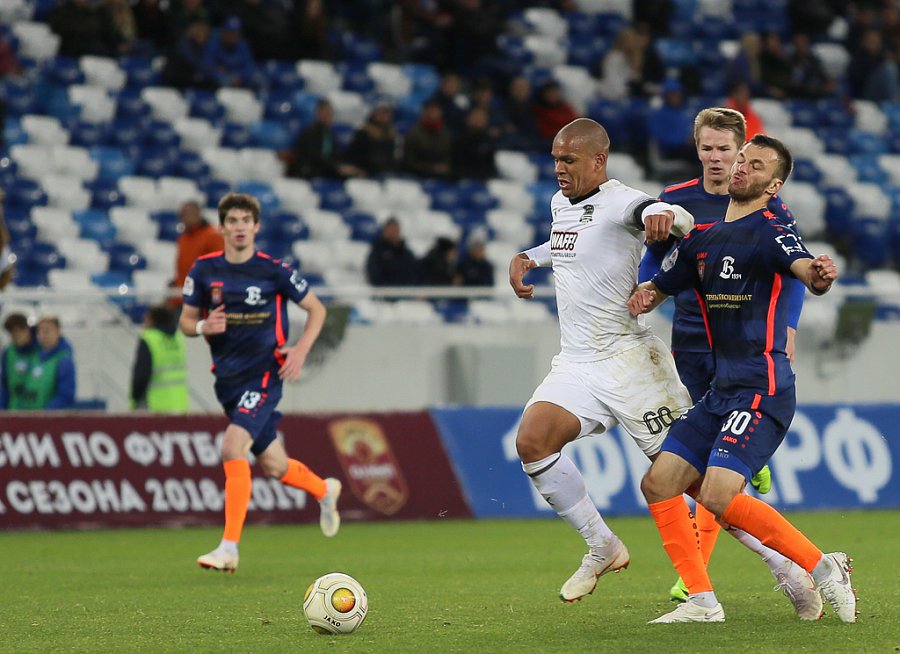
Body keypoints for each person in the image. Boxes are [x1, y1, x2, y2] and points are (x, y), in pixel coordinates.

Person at [628, 134, 857, 624]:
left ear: (773, 186)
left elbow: (804, 269)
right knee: (659, 483)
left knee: (716, 496)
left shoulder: (773, 230)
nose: (740, 168)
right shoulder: (703, 239)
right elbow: (660, 287)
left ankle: (824, 567)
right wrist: (644, 296)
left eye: (755, 166)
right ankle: (701, 602)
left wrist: (819, 275)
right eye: (742, 160)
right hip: (721, 391)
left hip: (762, 388)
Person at [507, 118, 696, 603]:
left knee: (697, 484)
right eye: (555, 159)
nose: (559, 168)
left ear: (598, 160)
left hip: (630, 362)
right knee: (532, 442)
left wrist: (664, 213)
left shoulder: (622, 202)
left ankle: (795, 565)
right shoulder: (561, 203)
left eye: (568, 159)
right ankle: (602, 545)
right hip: (578, 363)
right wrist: (529, 257)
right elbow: (569, 244)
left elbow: (670, 216)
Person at [180, 192, 341, 572]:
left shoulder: (274, 271)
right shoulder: (203, 270)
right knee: (273, 464)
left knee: (232, 446)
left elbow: (317, 309)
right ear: (222, 228)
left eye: (245, 221)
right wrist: (203, 326)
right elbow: (185, 322)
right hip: (227, 382)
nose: (239, 227)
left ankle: (228, 548)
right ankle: (325, 489)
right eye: (232, 221)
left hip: (265, 373)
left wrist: (301, 351)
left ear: (256, 227)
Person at [131, 304, 188, 413]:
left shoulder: (149, 338)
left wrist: (135, 397)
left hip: (155, 406)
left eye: (146, 318)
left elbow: (142, 374)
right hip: (179, 405)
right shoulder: (177, 338)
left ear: (152, 320)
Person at [287, 99, 364, 179]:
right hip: (310, 172)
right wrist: (337, 167)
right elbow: (315, 157)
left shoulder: (330, 134)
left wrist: (345, 167)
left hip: (326, 170)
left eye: (330, 113)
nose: (328, 116)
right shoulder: (310, 132)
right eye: (325, 113)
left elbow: (335, 156)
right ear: (318, 114)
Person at [172, 200, 224, 304]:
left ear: (198, 213)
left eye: (188, 214)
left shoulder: (212, 236)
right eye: (182, 215)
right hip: (183, 295)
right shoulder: (183, 238)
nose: (184, 218)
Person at [29, 316, 76, 410]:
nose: (42, 335)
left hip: (49, 417)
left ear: (58, 332)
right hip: (29, 415)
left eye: (47, 331)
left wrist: (45, 413)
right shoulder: (35, 356)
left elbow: (66, 396)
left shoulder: (63, 361)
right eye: (39, 331)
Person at [402, 99, 454, 179]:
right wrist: (431, 168)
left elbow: (449, 157)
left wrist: (445, 167)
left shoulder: (446, 134)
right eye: (430, 111)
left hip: (441, 177)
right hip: (417, 176)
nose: (432, 114)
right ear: (424, 112)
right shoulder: (414, 133)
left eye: (435, 111)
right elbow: (408, 161)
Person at [365, 217, 421, 287]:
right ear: (384, 232)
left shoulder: (407, 254)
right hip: (385, 292)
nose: (393, 233)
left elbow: (416, 273)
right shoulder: (376, 254)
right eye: (390, 230)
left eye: (395, 230)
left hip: (408, 291)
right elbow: (375, 277)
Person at [0, 313, 38, 410]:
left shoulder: (42, 349)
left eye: (16, 332)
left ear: (26, 330)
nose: (14, 337)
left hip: (38, 411)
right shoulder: (8, 353)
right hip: (15, 410)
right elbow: (5, 385)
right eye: (11, 333)